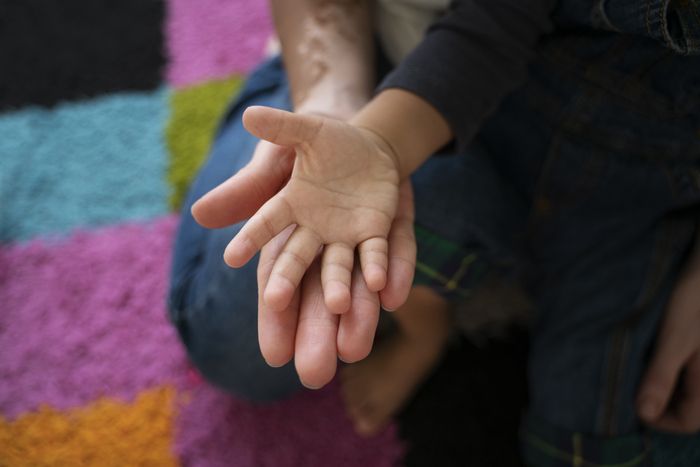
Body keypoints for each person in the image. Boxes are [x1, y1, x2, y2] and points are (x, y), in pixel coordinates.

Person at [171, 0, 700, 464]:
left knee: (595, 437)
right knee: (241, 344)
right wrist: (364, 134)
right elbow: (492, 27)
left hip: (630, 212)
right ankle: (426, 310)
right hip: (435, 114)